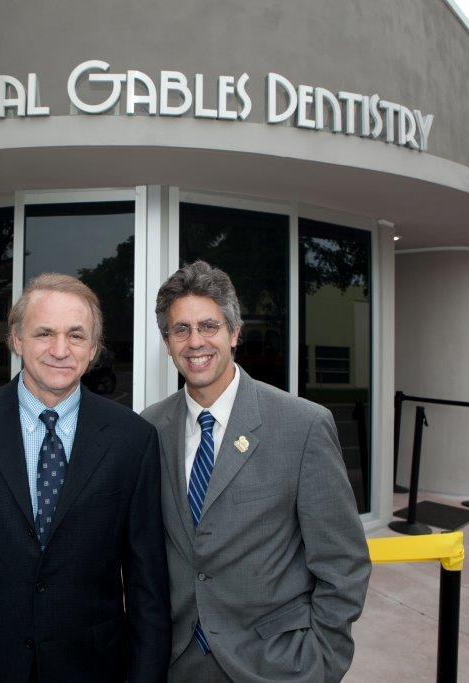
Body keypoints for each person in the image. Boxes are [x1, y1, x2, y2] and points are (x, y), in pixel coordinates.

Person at [0, 273, 171, 682]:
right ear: (16, 340)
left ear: (93, 349)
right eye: (44, 333)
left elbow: (147, 585)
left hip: (92, 669)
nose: (60, 350)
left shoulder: (133, 439)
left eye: (76, 336)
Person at [141, 261, 370, 683]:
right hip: (176, 663)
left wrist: (322, 662)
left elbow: (343, 561)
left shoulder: (303, 425)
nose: (196, 342)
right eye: (181, 330)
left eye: (209, 326)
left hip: (274, 664)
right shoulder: (148, 429)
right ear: (167, 343)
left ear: (234, 333)